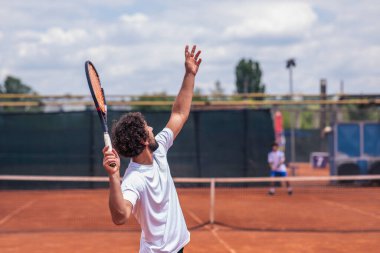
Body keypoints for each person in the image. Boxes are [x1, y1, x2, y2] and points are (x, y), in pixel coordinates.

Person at [102, 45, 202, 253]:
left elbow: (179, 114)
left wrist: (189, 74)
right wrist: (114, 176)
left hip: (178, 247)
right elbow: (120, 216)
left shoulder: (159, 149)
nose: (151, 128)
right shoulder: (134, 180)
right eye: (147, 127)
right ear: (143, 140)